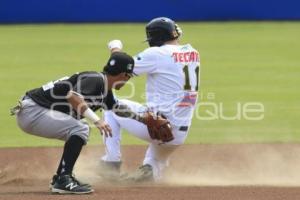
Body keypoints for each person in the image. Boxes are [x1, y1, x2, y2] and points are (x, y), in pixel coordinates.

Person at [12, 51, 149, 194]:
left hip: (35, 111)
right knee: (81, 128)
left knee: (79, 127)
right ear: (124, 75)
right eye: (129, 76)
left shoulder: (104, 88)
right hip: (33, 111)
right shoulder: (96, 79)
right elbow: (73, 96)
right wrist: (97, 120)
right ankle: (63, 180)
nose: (128, 80)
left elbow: (117, 108)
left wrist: (143, 120)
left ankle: (61, 177)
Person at [100, 17, 200, 182]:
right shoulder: (193, 53)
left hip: (156, 125)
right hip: (179, 133)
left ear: (155, 39)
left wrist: (115, 48)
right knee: (151, 167)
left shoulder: (157, 53)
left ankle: (111, 163)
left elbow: (117, 69)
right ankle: (150, 169)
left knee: (111, 106)